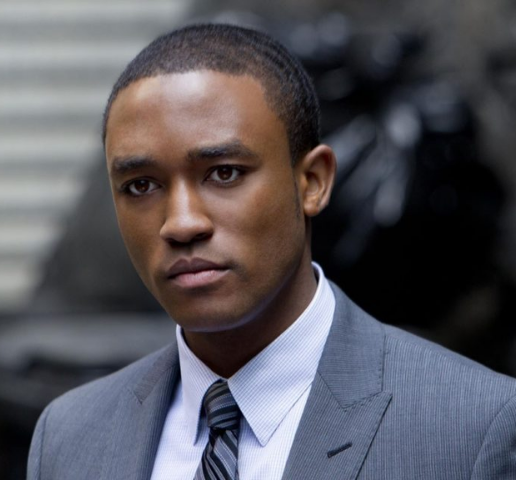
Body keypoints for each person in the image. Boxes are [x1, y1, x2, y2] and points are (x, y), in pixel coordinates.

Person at [27, 24, 516, 480]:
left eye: (224, 173)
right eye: (140, 185)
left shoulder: (471, 427)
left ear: (313, 182)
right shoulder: (68, 438)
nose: (181, 223)